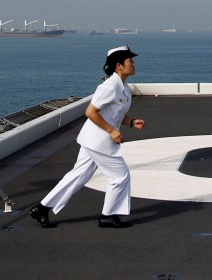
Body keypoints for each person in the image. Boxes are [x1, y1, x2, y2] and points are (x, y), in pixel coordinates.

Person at [30, 46, 145, 229]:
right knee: (119, 177)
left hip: (94, 140)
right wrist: (112, 131)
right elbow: (91, 112)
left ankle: (42, 208)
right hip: (100, 141)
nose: (134, 63)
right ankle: (108, 216)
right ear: (119, 66)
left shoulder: (122, 87)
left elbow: (113, 113)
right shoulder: (109, 86)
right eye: (130, 61)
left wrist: (131, 122)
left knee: (78, 176)